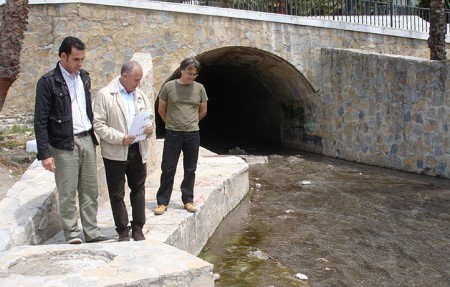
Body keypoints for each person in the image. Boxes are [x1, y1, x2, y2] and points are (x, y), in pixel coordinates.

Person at [34, 36, 110, 244]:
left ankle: (92, 232)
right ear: (63, 56)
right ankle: (72, 234)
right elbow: (40, 120)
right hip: (64, 143)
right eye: (76, 59)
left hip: (86, 138)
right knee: (67, 191)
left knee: (90, 190)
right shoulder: (48, 82)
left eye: (82, 59)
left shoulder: (84, 77)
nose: (80, 63)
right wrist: (45, 153)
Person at [93, 60, 154, 242]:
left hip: (137, 147)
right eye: (136, 79)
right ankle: (122, 229)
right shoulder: (105, 95)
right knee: (117, 192)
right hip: (115, 150)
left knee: (138, 189)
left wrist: (149, 129)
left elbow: (149, 119)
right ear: (124, 76)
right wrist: (120, 137)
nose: (139, 83)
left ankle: (138, 228)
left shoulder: (141, 95)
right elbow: (98, 124)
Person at [154, 56, 208, 215]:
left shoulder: (199, 88)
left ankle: (188, 200)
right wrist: (170, 122)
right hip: (173, 133)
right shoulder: (169, 87)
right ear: (182, 70)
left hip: (192, 134)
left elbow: (203, 110)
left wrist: (191, 122)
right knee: (168, 167)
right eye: (189, 73)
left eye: (194, 74)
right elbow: (161, 109)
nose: (191, 77)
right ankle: (162, 202)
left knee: (190, 168)